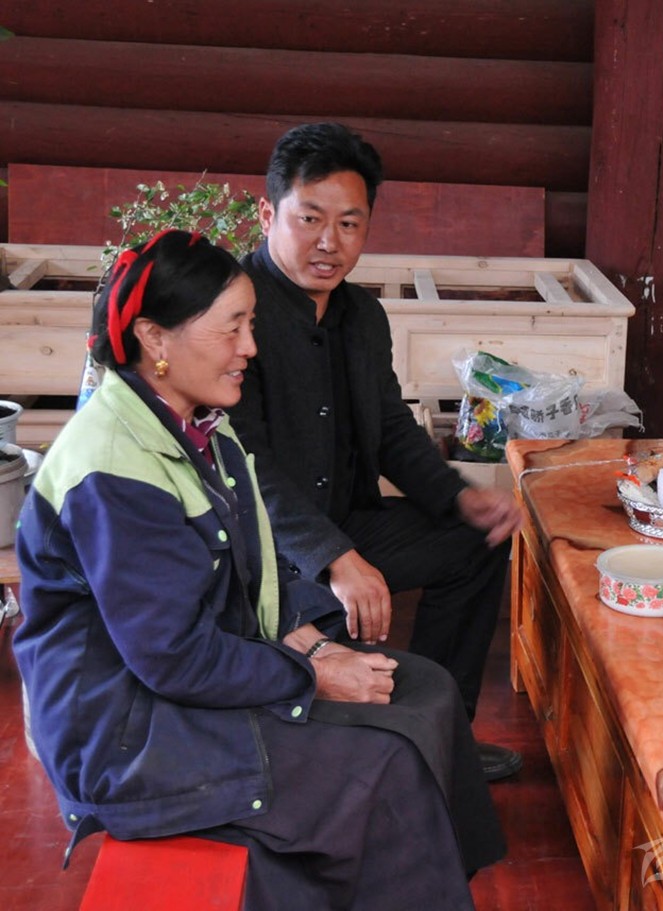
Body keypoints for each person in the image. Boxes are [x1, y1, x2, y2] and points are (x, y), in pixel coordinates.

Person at [13, 230, 505, 910]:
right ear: (155, 338)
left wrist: (310, 642)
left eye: (251, 324)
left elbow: (251, 570)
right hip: (127, 732)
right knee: (385, 761)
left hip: (187, 679)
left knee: (427, 690)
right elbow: (172, 658)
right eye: (233, 327)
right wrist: (312, 674)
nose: (250, 346)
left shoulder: (201, 426)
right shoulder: (112, 470)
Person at [228, 122, 524, 781]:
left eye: (349, 224)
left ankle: (441, 736)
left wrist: (459, 497)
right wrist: (335, 558)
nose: (329, 242)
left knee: (476, 543)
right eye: (309, 219)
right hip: (262, 552)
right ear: (268, 214)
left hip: (346, 522)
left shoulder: (362, 316)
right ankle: (371, 751)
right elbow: (242, 464)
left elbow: (389, 427)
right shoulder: (233, 310)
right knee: (327, 699)